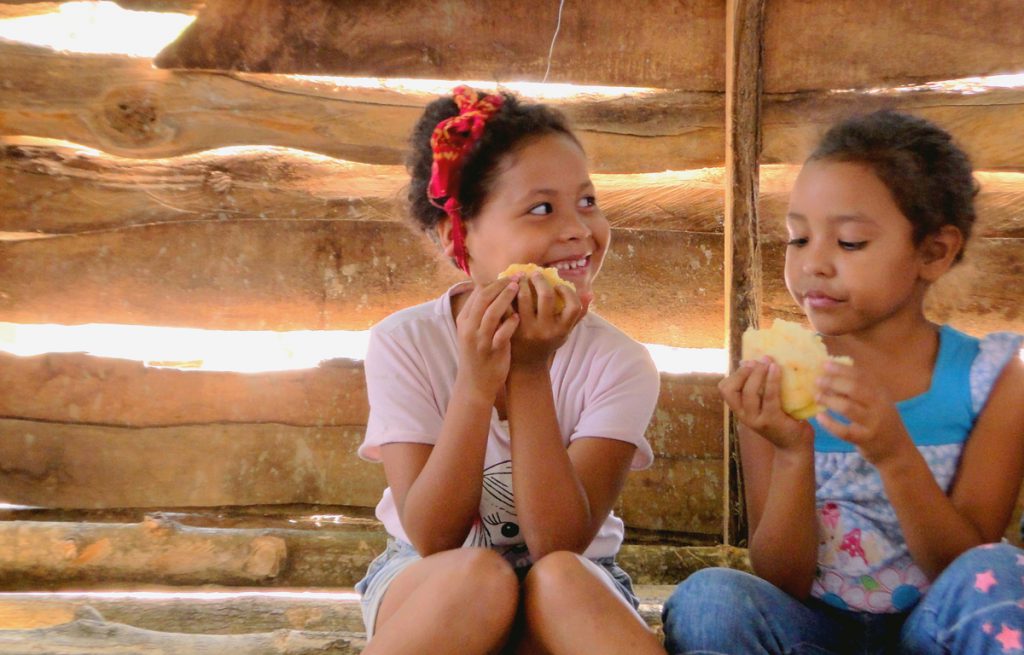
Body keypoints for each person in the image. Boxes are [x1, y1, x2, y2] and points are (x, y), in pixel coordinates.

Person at [662, 110, 1024, 654]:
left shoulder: (993, 378)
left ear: (933, 251)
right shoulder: (774, 379)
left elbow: (965, 567)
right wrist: (791, 451)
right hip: (812, 636)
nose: (814, 264)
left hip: (930, 636)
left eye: (850, 243)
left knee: (998, 570)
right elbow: (779, 580)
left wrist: (894, 454)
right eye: (798, 238)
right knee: (710, 597)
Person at [355, 86, 667, 654]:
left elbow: (559, 544)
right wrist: (475, 385)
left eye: (588, 201)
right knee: (479, 577)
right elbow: (432, 537)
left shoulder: (621, 363)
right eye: (542, 209)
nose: (578, 229)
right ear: (459, 236)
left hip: (575, 584)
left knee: (561, 582)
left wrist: (529, 372)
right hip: (432, 585)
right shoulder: (404, 343)